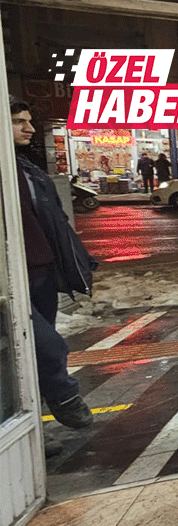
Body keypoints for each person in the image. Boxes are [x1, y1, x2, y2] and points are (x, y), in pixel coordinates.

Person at [10, 97, 98, 428]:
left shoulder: (25, 168)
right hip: (13, 278)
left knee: (26, 359)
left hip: (41, 273)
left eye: (29, 121)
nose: (30, 128)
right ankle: (64, 396)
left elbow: (55, 221)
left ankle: (33, 432)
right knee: (45, 346)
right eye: (19, 121)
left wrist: (79, 259)